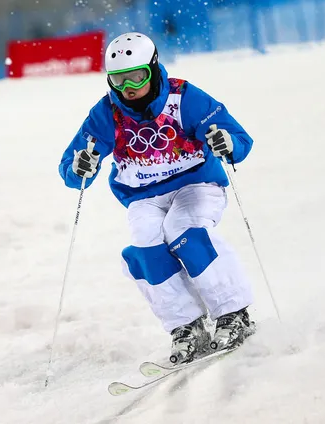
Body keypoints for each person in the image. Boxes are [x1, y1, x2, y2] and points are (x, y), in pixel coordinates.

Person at [59, 32, 255, 364]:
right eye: (118, 79)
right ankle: (186, 326)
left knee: (184, 231)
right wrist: (81, 167)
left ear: (153, 68)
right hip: (144, 195)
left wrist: (227, 143)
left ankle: (233, 313)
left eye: (137, 76)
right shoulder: (107, 112)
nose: (128, 87)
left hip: (196, 184)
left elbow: (237, 137)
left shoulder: (184, 97)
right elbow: (74, 164)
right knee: (145, 245)